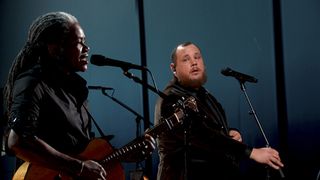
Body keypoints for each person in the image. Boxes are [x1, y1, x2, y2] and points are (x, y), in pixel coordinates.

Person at [3, 11, 155, 180]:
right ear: (54, 49)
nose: (87, 48)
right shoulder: (33, 82)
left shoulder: (77, 88)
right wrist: (78, 167)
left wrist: (124, 155)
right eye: (79, 42)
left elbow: (82, 150)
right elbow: (18, 142)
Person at [154, 41, 284, 180]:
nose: (194, 62)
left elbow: (212, 128)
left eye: (197, 57)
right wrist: (251, 152)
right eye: (186, 59)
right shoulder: (170, 99)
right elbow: (201, 135)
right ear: (174, 68)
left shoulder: (205, 95)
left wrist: (229, 132)